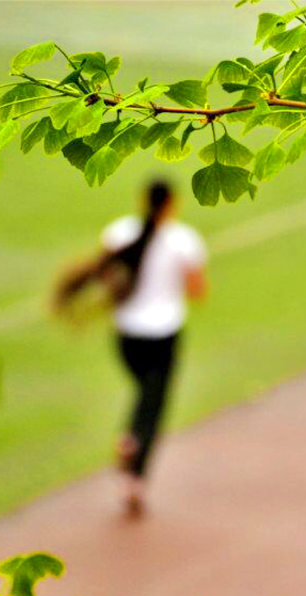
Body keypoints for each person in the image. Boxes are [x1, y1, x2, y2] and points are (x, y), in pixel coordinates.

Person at [54, 179, 207, 519]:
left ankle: (131, 450)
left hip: (126, 337)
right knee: (154, 404)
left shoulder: (119, 233)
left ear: (143, 200)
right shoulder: (183, 241)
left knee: (145, 396)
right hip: (164, 335)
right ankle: (134, 470)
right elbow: (197, 290)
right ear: (172, 203)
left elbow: (109, 278)